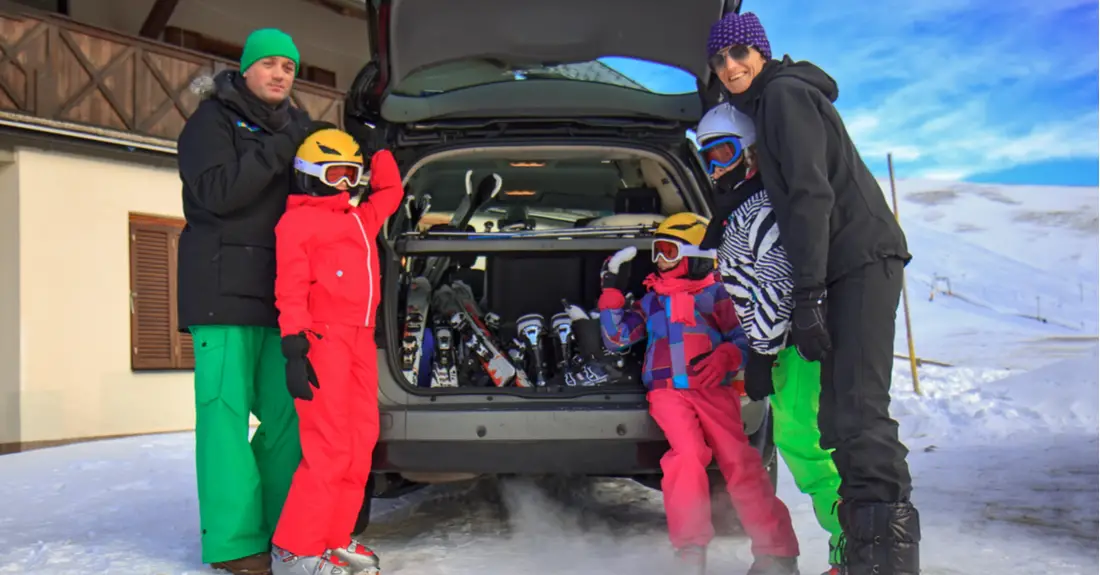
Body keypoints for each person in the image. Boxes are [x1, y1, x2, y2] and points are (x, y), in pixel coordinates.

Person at [705, 11, 921, 575]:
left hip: (857, 258)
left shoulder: (782, 96)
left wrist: (806, 295)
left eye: (740, 53)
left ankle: (883, 563)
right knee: (842, 415)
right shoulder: (774, 100)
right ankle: (867, 556)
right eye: (720, 59)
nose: (730, 66)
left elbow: (808, 195)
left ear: (763, 51)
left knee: (856, 410)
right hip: (846, 262)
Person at [177, 28, 312, 575]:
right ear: (247, 68)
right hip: (220, 293)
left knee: (288, 417)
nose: (280, 74)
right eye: (270, 64)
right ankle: (234, 543)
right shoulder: (211, 121)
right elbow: (216, 192)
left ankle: (279, 525)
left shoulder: (300, 129)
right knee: (225, 418)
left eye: (289, 66)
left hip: (279, 294)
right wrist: (283, 149)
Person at [598, 214, 800, 575]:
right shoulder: (652, 300)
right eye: (656, 252)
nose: (660, 261)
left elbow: (746, 336)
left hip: (712, 390)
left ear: (693, 255)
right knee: (687, 458)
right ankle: (690, 550)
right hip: (667, 393)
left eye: (668, 251)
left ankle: (776, 552)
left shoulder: (717, 295)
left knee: (740, 462)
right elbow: (618, 338)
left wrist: (728, 355)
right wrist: (612, 291)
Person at [696, 103, 845, 575]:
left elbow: (778, 280)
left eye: (723, 151)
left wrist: (761, 351)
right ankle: (852, 546)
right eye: (707, 156)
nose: (715, 165)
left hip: (793, 347)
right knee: (799, 443)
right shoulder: (741, 207)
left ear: (752, 153)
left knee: (809, 444)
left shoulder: (758, 208)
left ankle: (856, 548)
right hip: (781, 346)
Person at [269, 126, 404, 575]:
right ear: (312, 174)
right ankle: (294, 548)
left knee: (360, 440)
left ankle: (332, 538)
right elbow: (289, 287)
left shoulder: (359, 220)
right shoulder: (297, 223)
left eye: (353, 174)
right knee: (326, 446)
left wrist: (379, 147)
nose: (349, 184)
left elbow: (391, 190)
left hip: (360, 339)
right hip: (321, 339)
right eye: (339, 174)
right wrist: (294, 346)